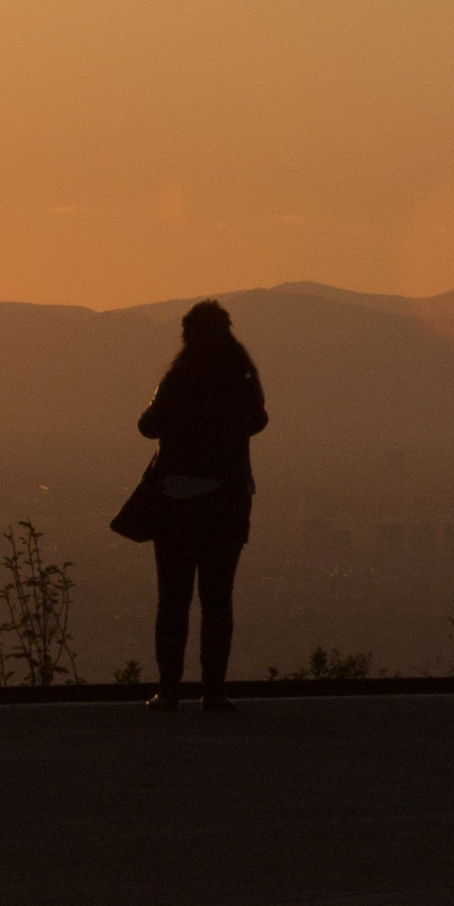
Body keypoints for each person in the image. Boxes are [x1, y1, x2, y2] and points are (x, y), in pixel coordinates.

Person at [134, 300, 266, 714]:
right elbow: (258, 421)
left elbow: (148, 426)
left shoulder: (177, 378)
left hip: (176, 502)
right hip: (227, 501)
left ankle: (169, 691)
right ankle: (213, 691)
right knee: (218, 599)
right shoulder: (242, 376)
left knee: (172, 599)